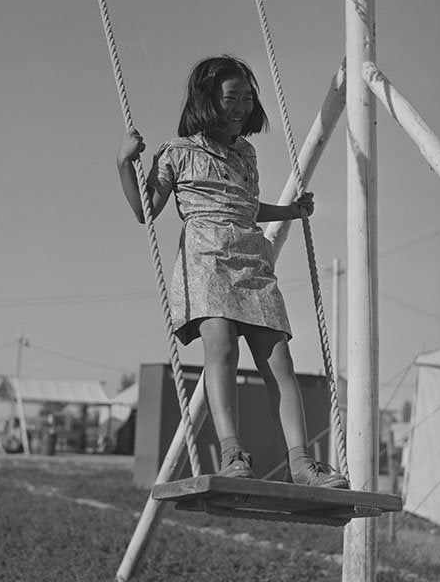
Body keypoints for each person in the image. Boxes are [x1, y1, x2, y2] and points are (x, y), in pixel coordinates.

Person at [115, 54, 348, 488]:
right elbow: (144, 211)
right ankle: (233, 452)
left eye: (245, 97)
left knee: (279, 359)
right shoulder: (176, 152)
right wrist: (123, 163)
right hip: (206, 257)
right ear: (207, 100)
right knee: (221, 349)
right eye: (230, 97)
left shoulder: (247, 153)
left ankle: (302, 463)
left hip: (250, 256)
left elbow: (245, 205)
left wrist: (290, 212)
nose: (240, 106)